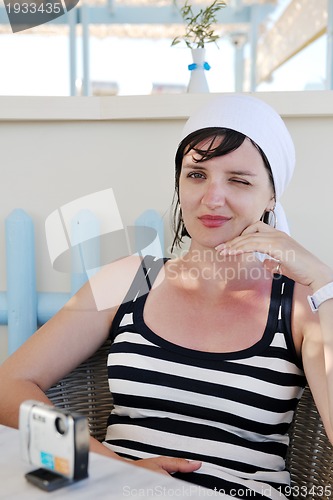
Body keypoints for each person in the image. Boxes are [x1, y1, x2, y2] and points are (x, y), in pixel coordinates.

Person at [1, 94, 333, 499]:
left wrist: (321, 280)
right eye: (197, 175)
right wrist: (102, 457)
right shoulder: (130, 278)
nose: (212, 198)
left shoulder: (300, 304)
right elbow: (10, 384)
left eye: (239, 180)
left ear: (271, 196)